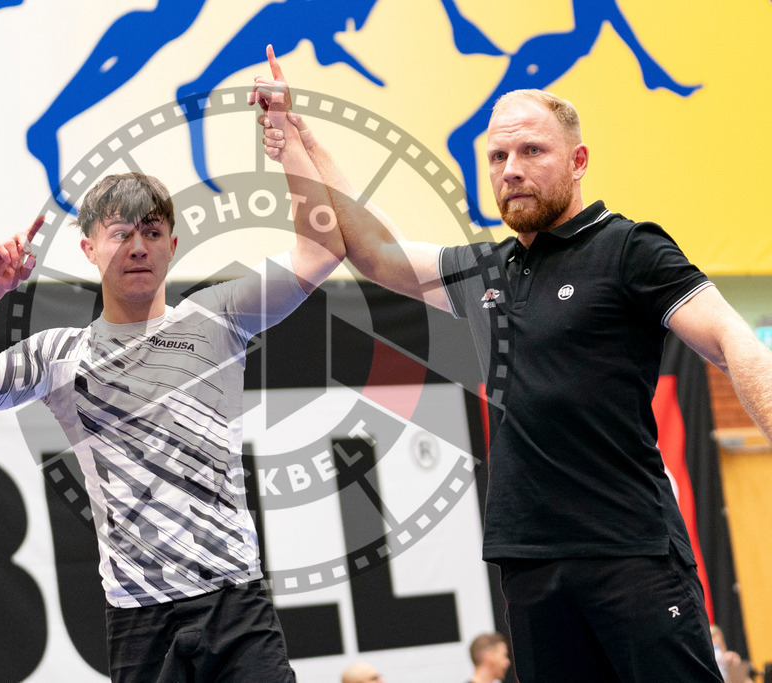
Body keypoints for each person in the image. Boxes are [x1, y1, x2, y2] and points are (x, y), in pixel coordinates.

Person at [253, 52, 772, 681]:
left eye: (532, 152)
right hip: (529, 560)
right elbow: (375, 251)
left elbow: (729, 339)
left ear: (578, 161)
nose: (512, 170)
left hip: (629, 551)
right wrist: (301, 141)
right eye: (498, 158)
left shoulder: (630, 250)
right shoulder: (489, 270)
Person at [0, 77, 343, 681]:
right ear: (90, 248)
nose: (137, 246)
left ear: (172, 243)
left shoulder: (218, 316)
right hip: (140, 618)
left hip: (235, 605)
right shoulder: (59, 355)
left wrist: (285, 141)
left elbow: (322, 249)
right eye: (120, 232)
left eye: (150, 232)